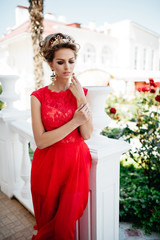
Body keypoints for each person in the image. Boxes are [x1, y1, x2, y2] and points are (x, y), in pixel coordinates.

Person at [30, 32, 93, 240]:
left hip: (75, 167)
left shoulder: (82, 93)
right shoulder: (38, 97)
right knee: (47, 224)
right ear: (51, 65)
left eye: (71, 61)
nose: (67, 67)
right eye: (61, 62)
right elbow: (40, 141)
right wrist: (74, 121)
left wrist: (80, 98)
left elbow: (87, 133)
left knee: (62, 228)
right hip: (47, 167)